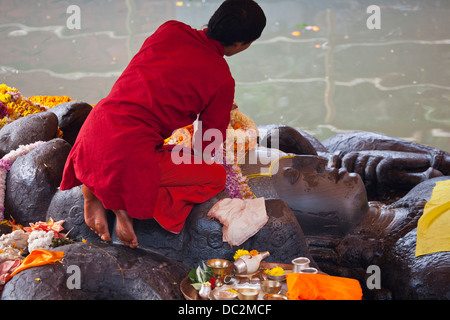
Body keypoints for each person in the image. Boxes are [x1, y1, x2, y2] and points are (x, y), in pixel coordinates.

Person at [59, 0, 267, 248]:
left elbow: (155, 80)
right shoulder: (222, 78)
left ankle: (92, 189)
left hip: (93, 129)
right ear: (240, 44)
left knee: (143, 146)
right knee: (214, 176)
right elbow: (207, 144)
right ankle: (120, 203)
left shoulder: (170, 29)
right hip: (128, 151)